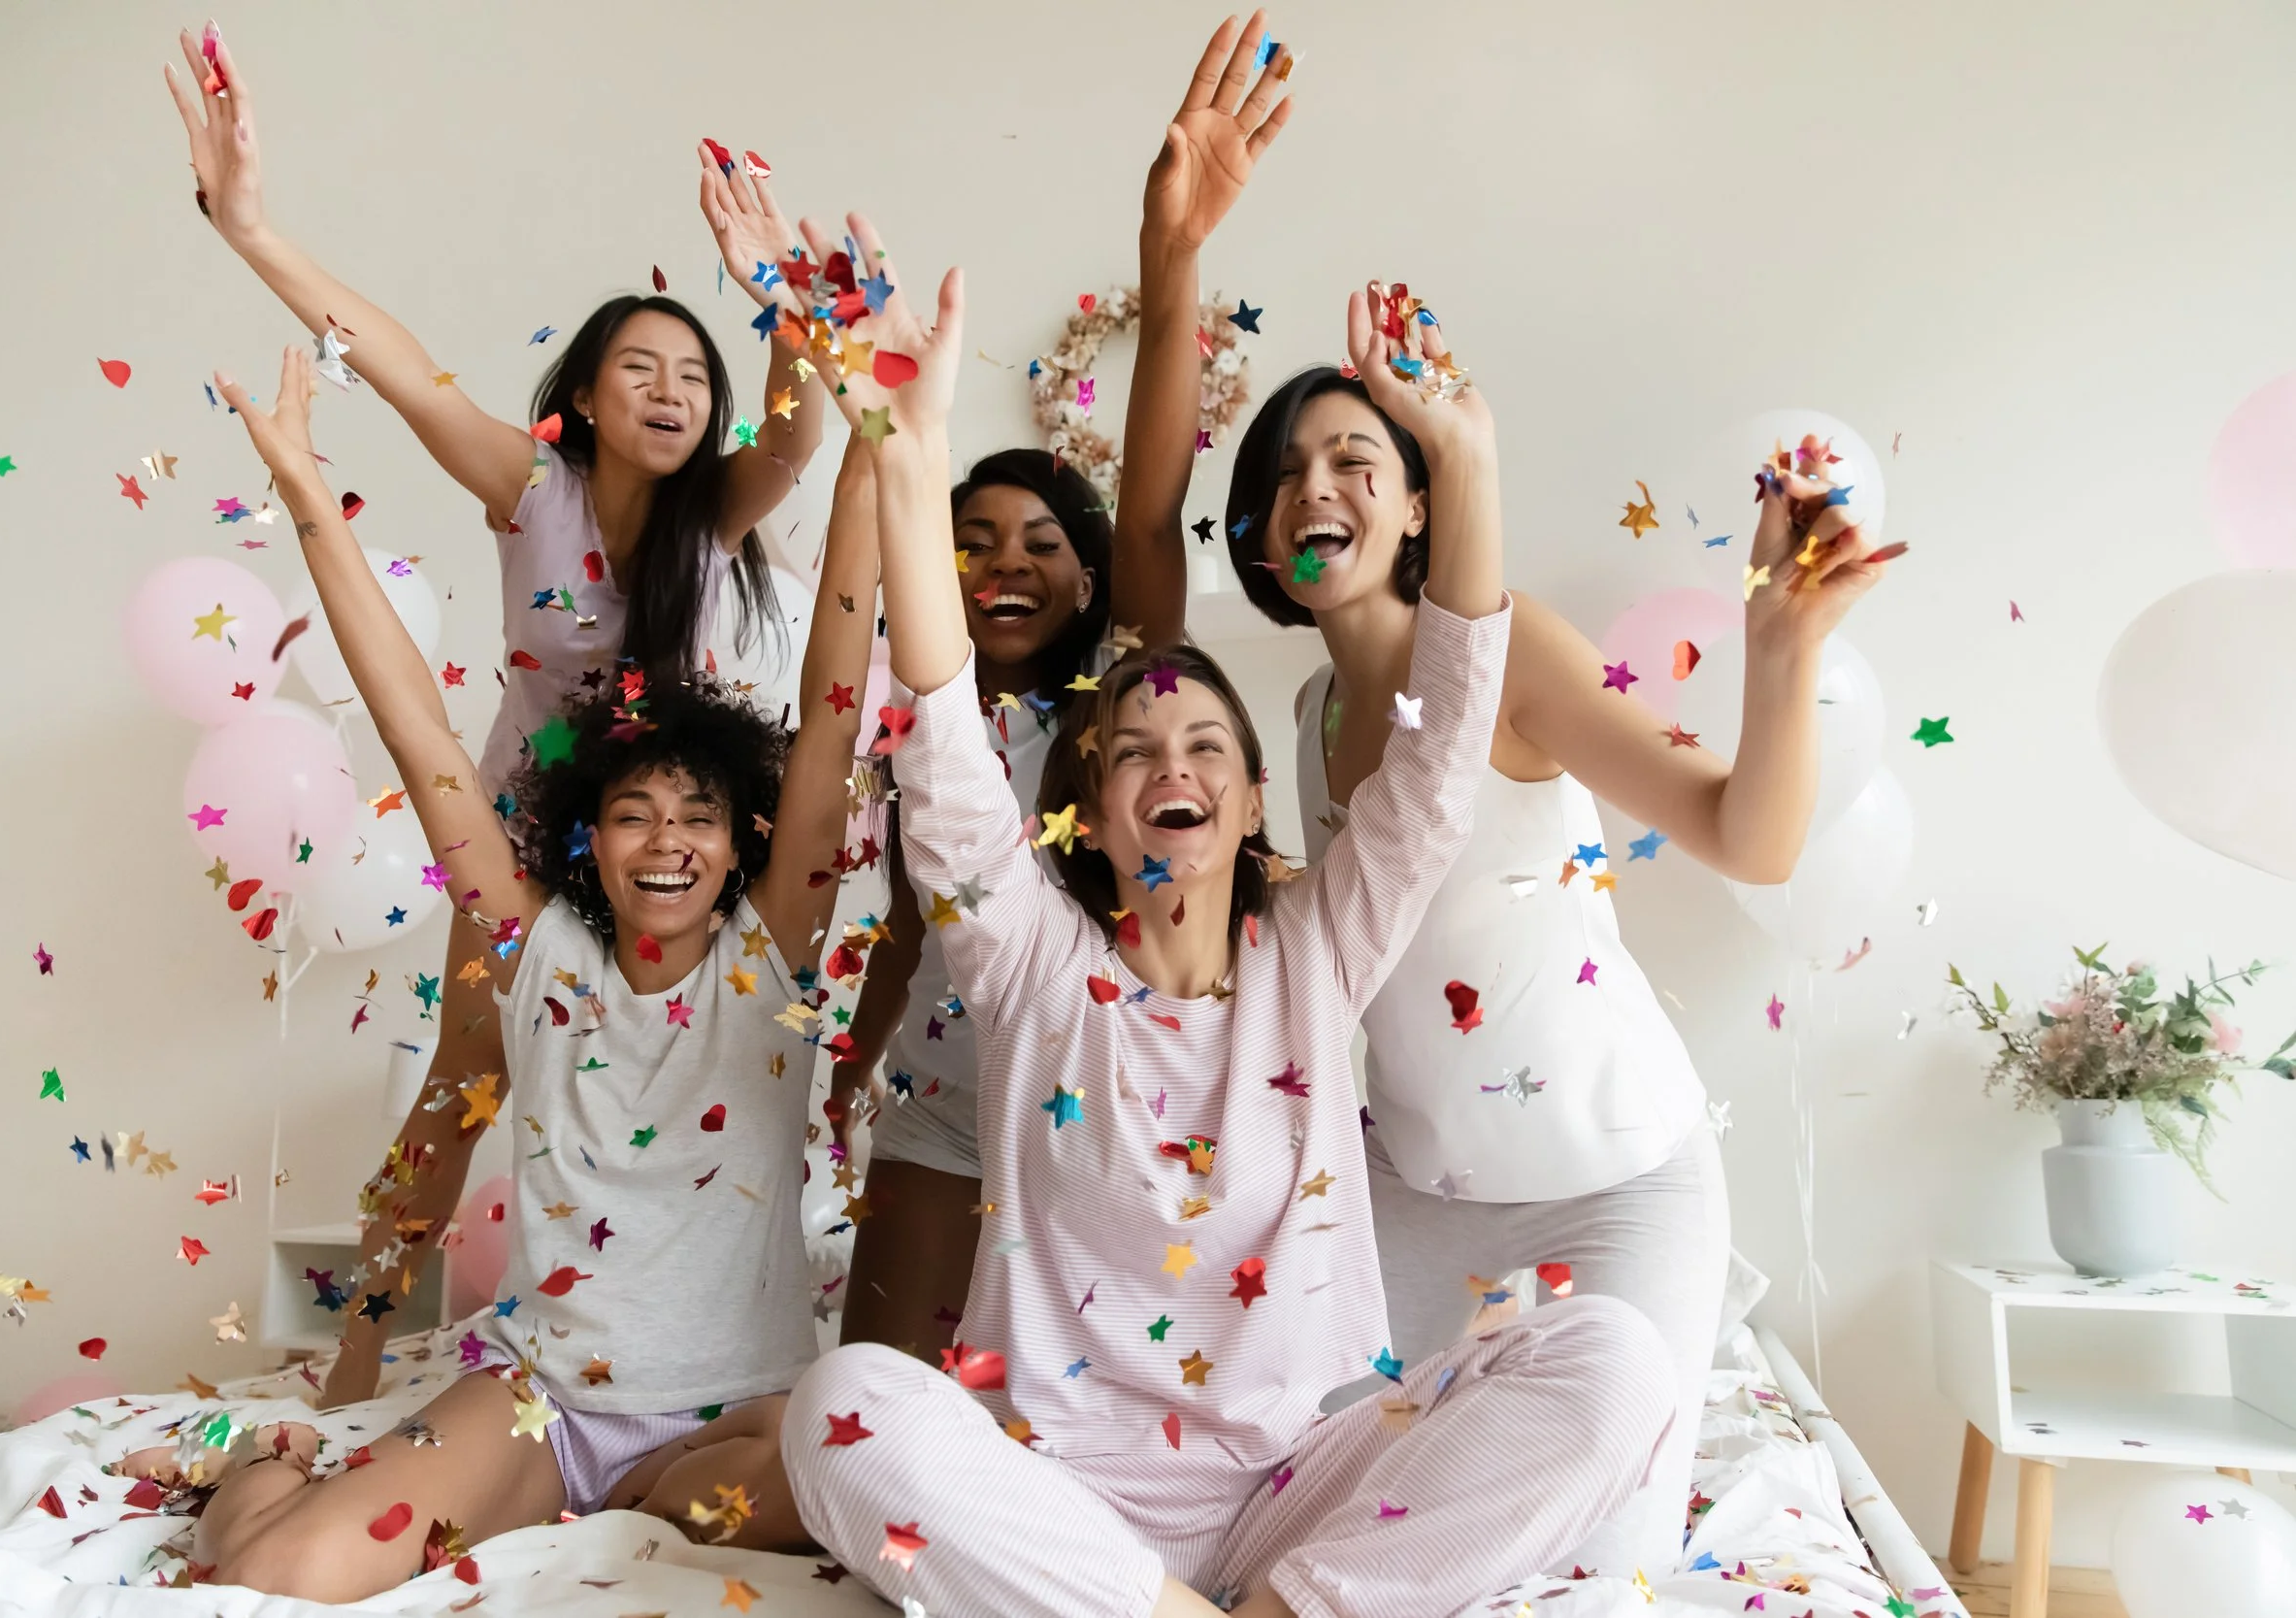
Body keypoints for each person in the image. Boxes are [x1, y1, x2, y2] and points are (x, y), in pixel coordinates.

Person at [769, 178, 1674, 1613]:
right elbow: (939, 748)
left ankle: (1290, 1601)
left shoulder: (1321, 946)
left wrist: (1468, 457)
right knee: (847, 1401)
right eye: (1129, 751)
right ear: (1083, 806)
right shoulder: (1029, 963)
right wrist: (901, 437)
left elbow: (1441, 745)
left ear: (1255, 804)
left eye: (1205, 744)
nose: (1168, 765)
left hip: (1299, 1487)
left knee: (1616, 1355)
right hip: (1073, 1501)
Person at [111, 326, 879, 1600]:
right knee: (272, 1567)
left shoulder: (770, 951)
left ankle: (634, 1494)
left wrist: (873, 446)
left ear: (743, 836)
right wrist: (310, 493)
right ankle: (266, 1462)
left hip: (719, 1422)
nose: (669, 842)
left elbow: (838, 698)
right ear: (588, 833)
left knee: (863, 1491)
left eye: (697, 814)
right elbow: (415, 726)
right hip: (543, 1408)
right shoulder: (537, 950)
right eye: (635, 814)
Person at [165, 20, 827, 1406]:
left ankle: (675, 1343)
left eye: (692, 375)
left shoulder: (723, 508)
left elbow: (802, 432)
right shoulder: (534, 490)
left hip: (674, 840)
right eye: (639, 367)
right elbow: (400, 363)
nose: (669, 389)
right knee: (466, 1075)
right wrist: (251, 230)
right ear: (582, 396)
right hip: (523, 827)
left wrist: (779, 304)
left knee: (699, 1067)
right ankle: (355, 1353)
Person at [1219, 356, 1897, 1571]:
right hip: (1417, 1196)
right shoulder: (1314, 709)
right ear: (1263, 536)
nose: (1313, 485)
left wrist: (1777, 643)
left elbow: (1752, 836)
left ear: (1421, 505)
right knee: (1323, 1517)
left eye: (1351, 459)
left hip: (1618, 1184)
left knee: (1584, 1565)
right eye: (1284, 474)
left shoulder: (1507, 648)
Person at [826, 7, 1292, 1368]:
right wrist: (851, 1059)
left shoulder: (1118, 704)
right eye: (971, 545)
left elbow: (1150, 514)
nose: (1007, 567)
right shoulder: (927, 717)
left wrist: (1173, 252)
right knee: (884, 1401)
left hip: (1107, 1097)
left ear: (1088, 584)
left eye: (1042, 545)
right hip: (944, 1095)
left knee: (1060, 1410)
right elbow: (918, 920)